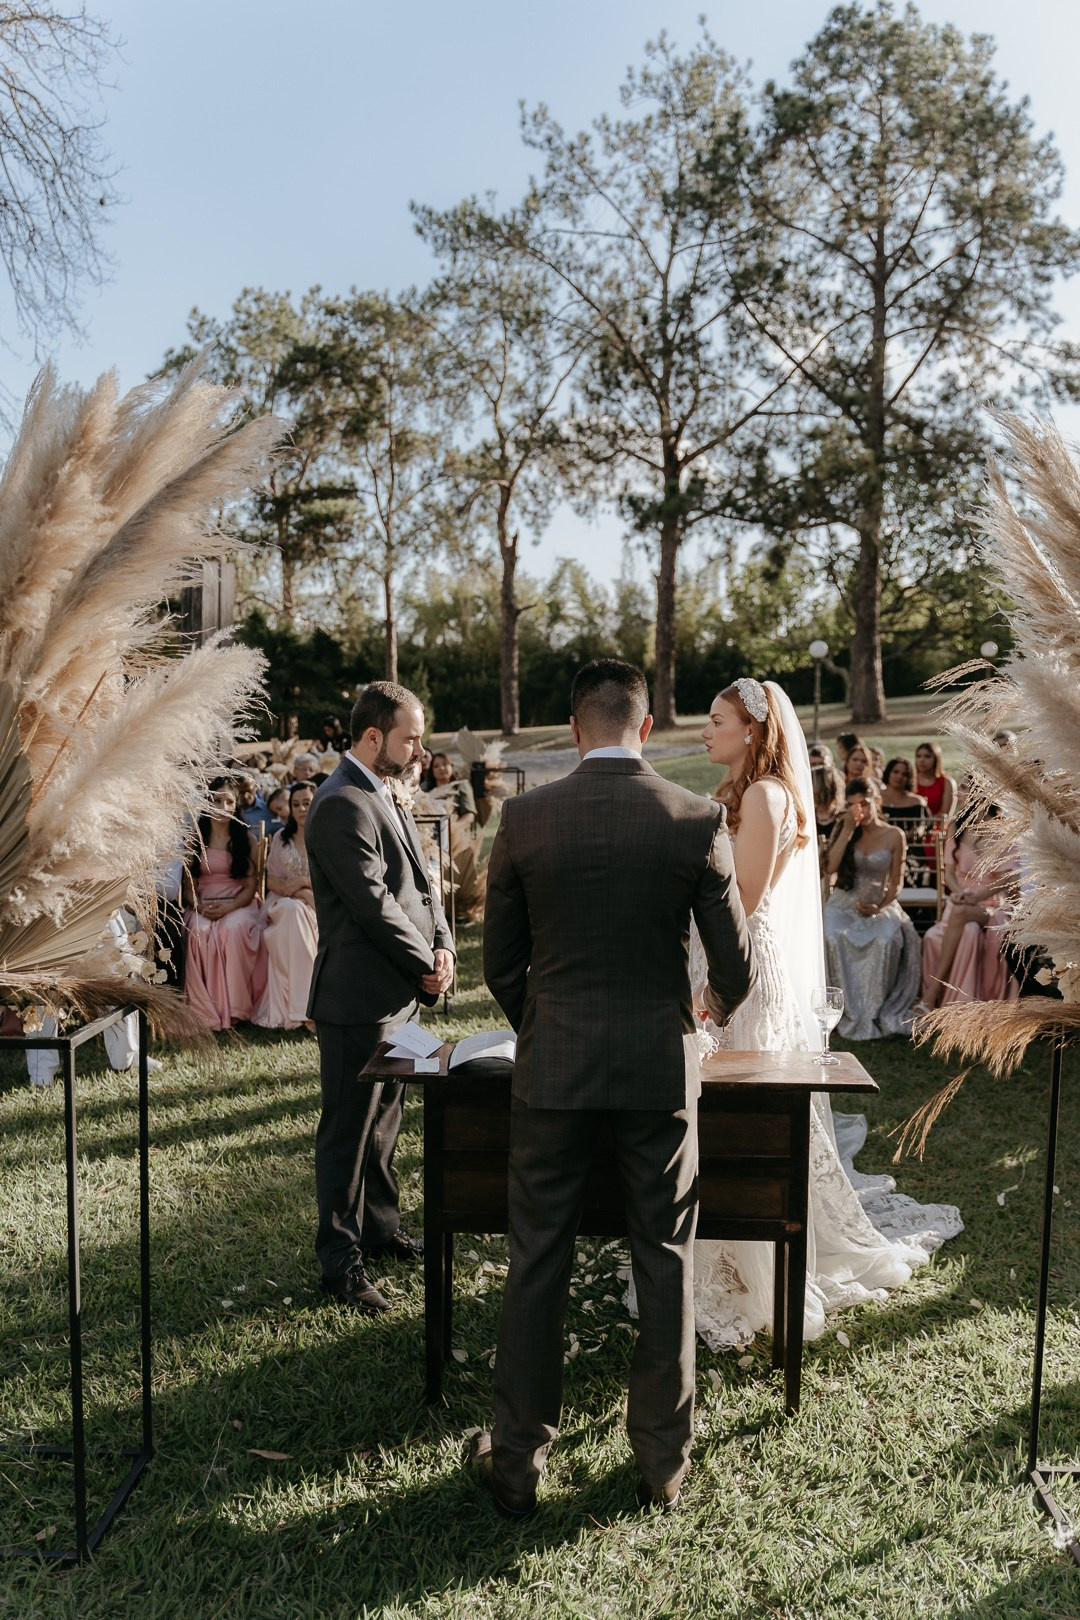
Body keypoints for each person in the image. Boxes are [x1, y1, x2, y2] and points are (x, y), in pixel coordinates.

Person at [475, 658, 755, 1519]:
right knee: (663, 1257)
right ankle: (662, 1467)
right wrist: (697, 1007)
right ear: (644, 727)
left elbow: (499, 966)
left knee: (537, 1260)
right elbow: (736, 969)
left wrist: (546, 1022)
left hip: (553, 1066)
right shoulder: (693, 817)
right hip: (656, 1070)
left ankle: (517, 1463)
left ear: (572, 731)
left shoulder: (523, 819)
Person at [683, 683, 956, 1351]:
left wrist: (710, 981)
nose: (704, 733)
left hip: (743, 972)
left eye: (717, 722)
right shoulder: (747, 794)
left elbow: (739, 902)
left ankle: (749, 1257)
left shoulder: (764, 796)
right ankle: (719, 1240)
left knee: (744, 1110)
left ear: (753, 729)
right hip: (732, 962)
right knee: (723, 1107)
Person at [305, 681, 455, 1315]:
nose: (419, 748)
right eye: (409, 737)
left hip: (401, 993)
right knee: (348, 1129)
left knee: (387, 1121)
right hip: (359, 998)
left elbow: (422, 883)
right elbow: (373, 905)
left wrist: (444, 943)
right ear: (373, 737)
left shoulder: (384, 790)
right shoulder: (341, 802)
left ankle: (383, 1228)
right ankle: (339, 1261)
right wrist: (426, 964)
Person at [823, 777, 922, 1039]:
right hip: (845, 901)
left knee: (885, 937)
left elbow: (896, 884)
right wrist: (846, 830)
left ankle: (874, 1010)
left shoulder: (893, 835)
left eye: (864, 804)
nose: (860, 811)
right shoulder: (847, 830)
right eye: (853, 805)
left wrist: (880, 906)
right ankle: (839, 1010)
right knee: (832, 933)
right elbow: (830, 869)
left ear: (877, 802)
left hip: (881, 902)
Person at [920, 793, 1018, 1010]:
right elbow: (948, 873)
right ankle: (956, 1002)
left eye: (967, 787)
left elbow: (1008, 879)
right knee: (962, 930)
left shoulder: (1003, 828)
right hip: (962, 900)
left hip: (992, 904)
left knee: (962, 914)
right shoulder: (957, 825)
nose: (961, 794)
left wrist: (977, 897)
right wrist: (957, 892)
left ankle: (931, 994)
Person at [183, 778, 267, 1031]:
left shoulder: (246, 840)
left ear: (235, 806)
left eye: (229, 801)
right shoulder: (195, 839)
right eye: (217, 800)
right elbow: (188, 885)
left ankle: (236, 1010)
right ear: (207, 803)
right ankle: (205, 1010)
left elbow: (251, 887)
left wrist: (230, 908)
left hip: (239, 903)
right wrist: (200, 907)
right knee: (199, 931)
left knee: (231, 930)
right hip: (202, 903)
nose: (222, 806)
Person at [253, 782, 319, 1031]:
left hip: (320, 905)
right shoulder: (282, 837)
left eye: (307, 802)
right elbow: (271, 880)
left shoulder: (327, 834)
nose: (302, 809)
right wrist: (301, 889)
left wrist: (304, 887)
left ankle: (306, 1006)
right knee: (293, 911)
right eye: (296, 804)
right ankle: (305, 1009)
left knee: (299, 914)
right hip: (282, 904)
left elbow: (333, 879)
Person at [422, 751, 487, 922]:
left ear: (452, 767)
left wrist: (453, 828)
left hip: (457, 837)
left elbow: (470, 814)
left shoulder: (461, 786)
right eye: (436, 766)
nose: (441, 768)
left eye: (445, 764)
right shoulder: (426, 791)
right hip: (432, 839)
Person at [914, 741, 955, 821]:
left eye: (927, 756)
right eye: (919, 756)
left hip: (937, 829)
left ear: (936, 759)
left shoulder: (947, 782)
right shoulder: (910, 780)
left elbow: (945, 814)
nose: (922, 760)